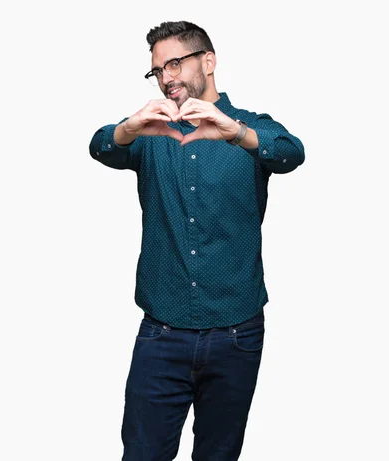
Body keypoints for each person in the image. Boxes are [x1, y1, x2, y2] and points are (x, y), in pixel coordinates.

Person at [88, 20, 305, 461]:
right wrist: (128, 128)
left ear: (208, 61)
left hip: (237, 333)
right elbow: (100, 146)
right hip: (161, 333)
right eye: (157, 71)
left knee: (218, 455)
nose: (166, 78)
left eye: (174, 64)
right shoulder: (148, 133)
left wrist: (237, 134)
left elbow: (291, 151)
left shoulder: (248, 129)